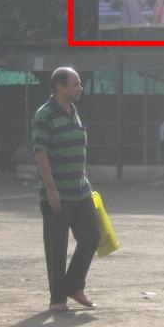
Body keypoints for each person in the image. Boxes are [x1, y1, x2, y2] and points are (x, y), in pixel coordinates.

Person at [31, 67, 99, 313]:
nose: (79, 88)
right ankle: (57, 298)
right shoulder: (45, 115)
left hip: (81, 191)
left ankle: (73, 285)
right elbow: (40, 153)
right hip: (57, 193)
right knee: (56, 247)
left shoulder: (74, 112)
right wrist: (51, 190)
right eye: (75, 84)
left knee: (93, 236)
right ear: (60, 87)